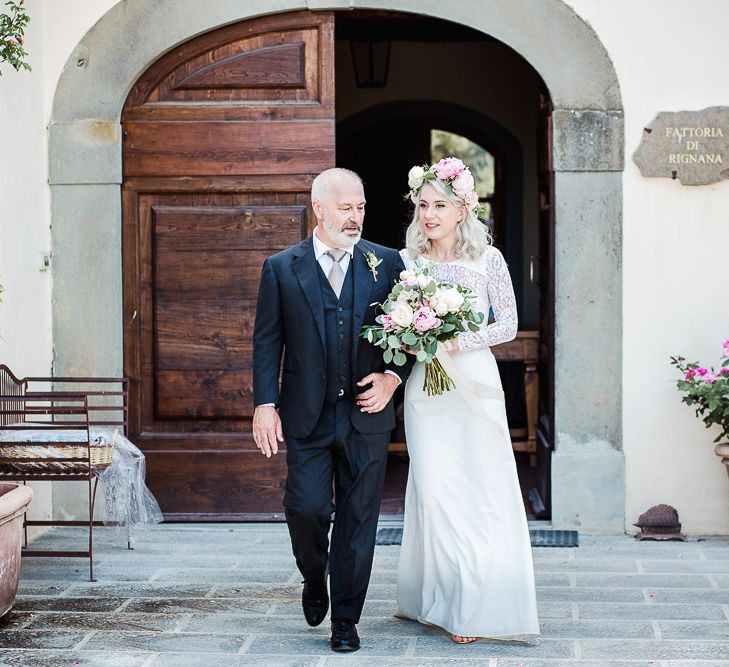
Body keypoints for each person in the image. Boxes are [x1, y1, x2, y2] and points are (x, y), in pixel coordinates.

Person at [252, 168, 415, 653]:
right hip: (307, 414)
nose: (356, 217)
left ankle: (346, 618)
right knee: (305, 508)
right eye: (346, 208)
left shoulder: (386, 263)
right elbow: (267, 342)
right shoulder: (282, 267)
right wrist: (265, 403)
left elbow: (412, 331)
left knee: (359, 519)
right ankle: (312, 573)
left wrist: (392, 378)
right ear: (319, 208)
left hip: (367, 414)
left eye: (361, 207)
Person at [395, 158, 540, 643]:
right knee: (435, 491)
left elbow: (508, 325)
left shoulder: (488, 260)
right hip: (426, 392)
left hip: (474, 384)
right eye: (423, 205)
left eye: (439, 205)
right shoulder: (407, 261)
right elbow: (395, 323)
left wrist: (458, 340)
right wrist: (417, 338)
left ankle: (473, 605)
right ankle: (436, 597)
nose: (429, 214)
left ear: (463, 209)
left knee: (477, 490)